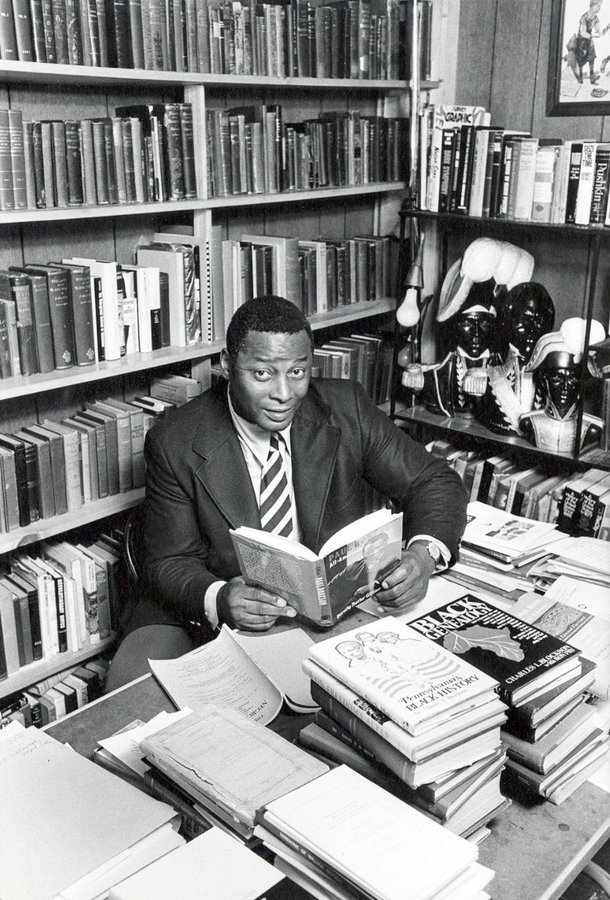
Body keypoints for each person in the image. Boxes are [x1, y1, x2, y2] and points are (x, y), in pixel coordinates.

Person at [106, 296, 468, 691]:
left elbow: (434, 481)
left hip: (337, 617)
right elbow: (169, 561)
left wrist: (423, 555)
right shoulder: (175, 440)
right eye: (262, 374)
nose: (285, 393)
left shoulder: (346, 407)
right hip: (231, 624)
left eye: (298, 371)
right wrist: (220, 597)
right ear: (227, 365)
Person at [566, 0, 602, 85]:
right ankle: (580, 77)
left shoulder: (596, 18)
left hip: (589, 40)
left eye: (599, 7)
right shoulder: (584, 17)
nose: (598, 9)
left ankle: (592, 77)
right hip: (581, 40)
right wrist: (592, 35)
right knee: (581, 59)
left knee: (592, 57)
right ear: (592, 6)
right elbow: (583, 32)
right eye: (597, 6)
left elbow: (598, 31)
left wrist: (596, 34)